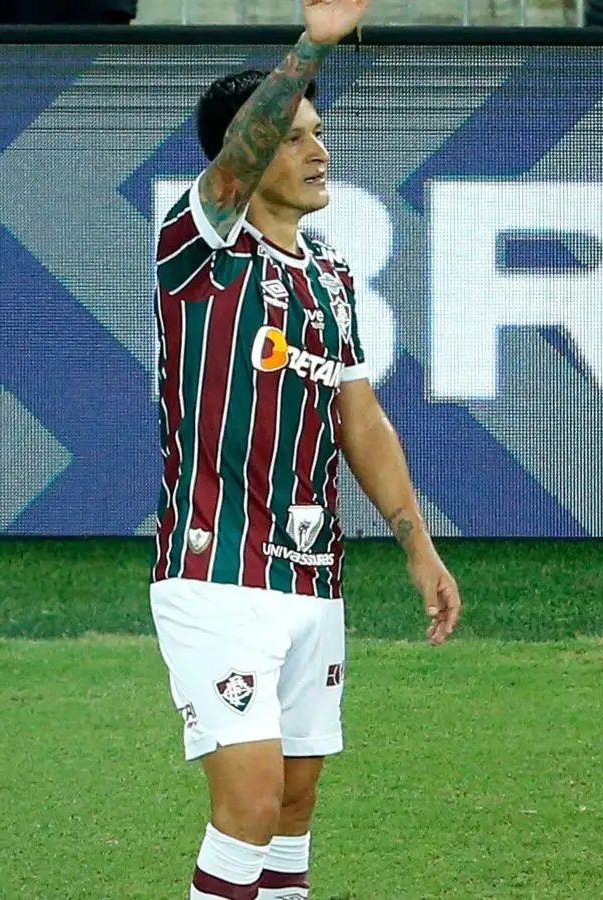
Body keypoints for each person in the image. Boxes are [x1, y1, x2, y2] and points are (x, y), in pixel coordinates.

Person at [149, 3, 462, 898]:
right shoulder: (199, 241)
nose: (318, 150)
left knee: (292, 800)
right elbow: (236, 160)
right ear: (246, 154)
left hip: (310, 576)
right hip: (214, 571)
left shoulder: (329, 271)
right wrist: (311, 45)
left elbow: (360, 418)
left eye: (320, 133)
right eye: (294, 137)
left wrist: (416, 543)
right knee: (247, 800)